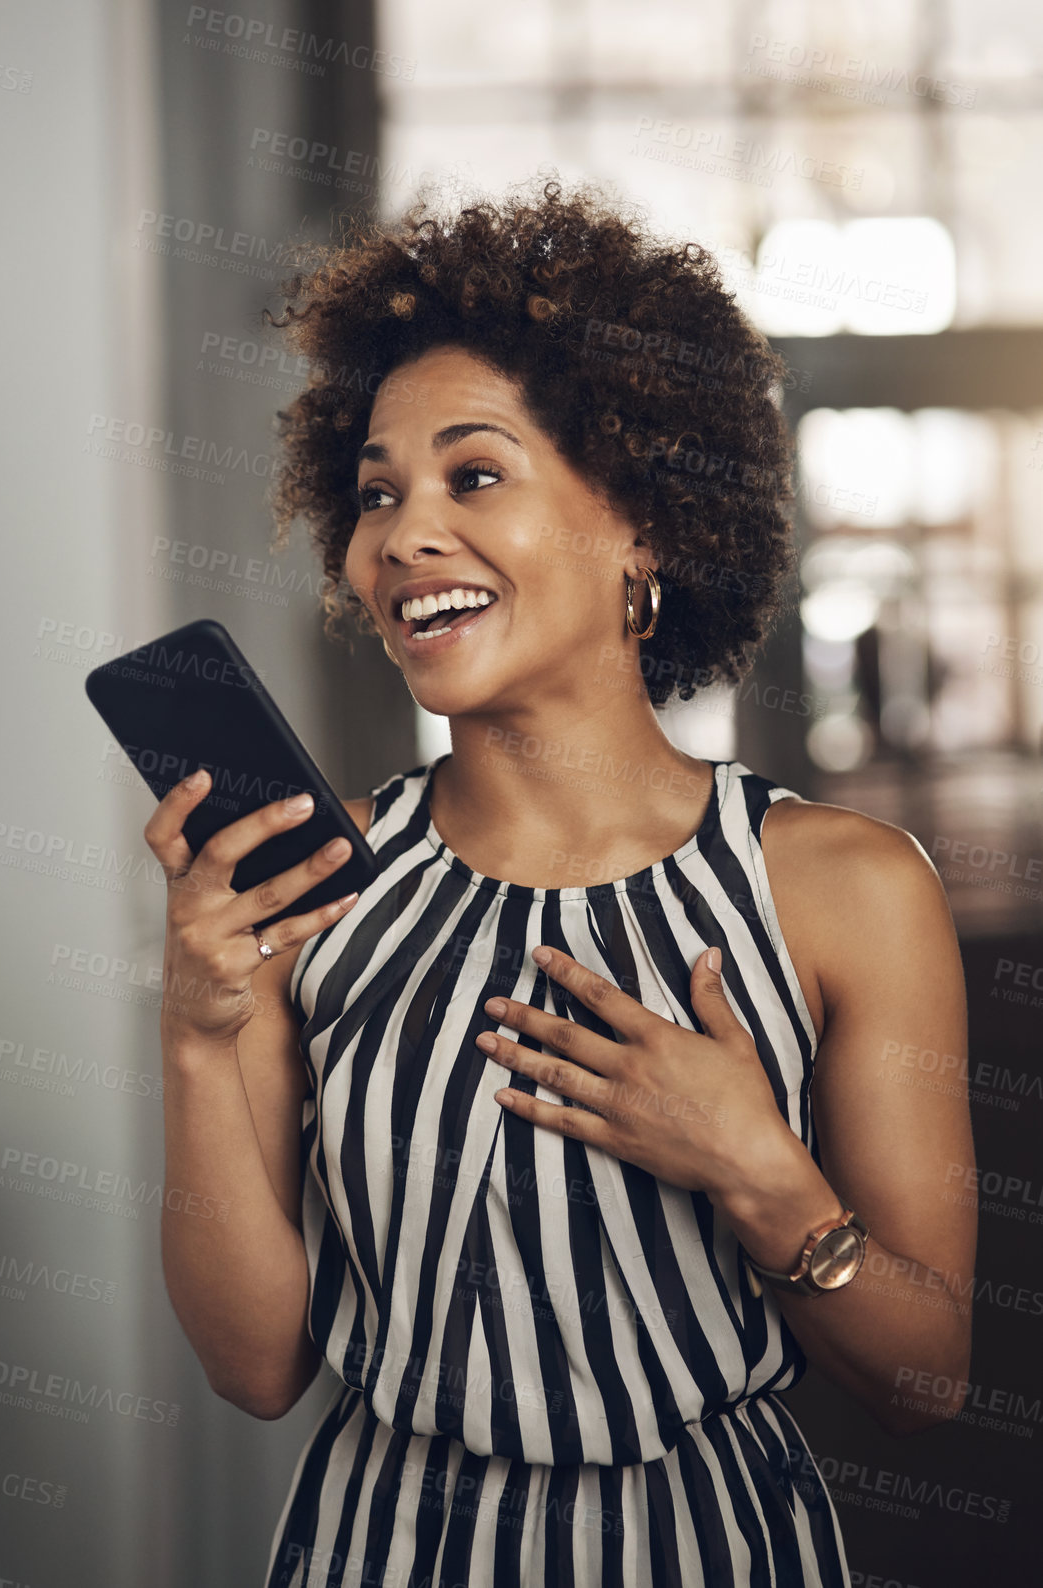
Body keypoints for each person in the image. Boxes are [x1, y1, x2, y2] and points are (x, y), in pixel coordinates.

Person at [143, 179, 975, 1587]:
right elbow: (256, 1367)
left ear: (642, 525)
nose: (401, 537)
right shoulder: (312, 884)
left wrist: (757, 1171)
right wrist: (193, 1033)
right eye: (375, 495)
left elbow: (928, 1381)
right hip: (378, 1553)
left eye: (474, 476)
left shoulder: (843, 887)